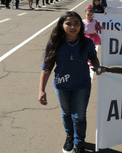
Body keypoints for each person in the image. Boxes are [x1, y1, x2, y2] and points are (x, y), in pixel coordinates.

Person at [38, 11, 104, 153]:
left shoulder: (87, 42)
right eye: (68, 23)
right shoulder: (54, 44)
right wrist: (41, 90)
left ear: (81, 25)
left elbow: (93, 57)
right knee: (66, 113)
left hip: (82, 85)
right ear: (61, 25)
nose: (73, 27)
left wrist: (97, 67)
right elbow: (47, 67)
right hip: (62, 85)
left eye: (76, 23)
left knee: (79, 115)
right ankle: (70, 137)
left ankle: (79, 142)